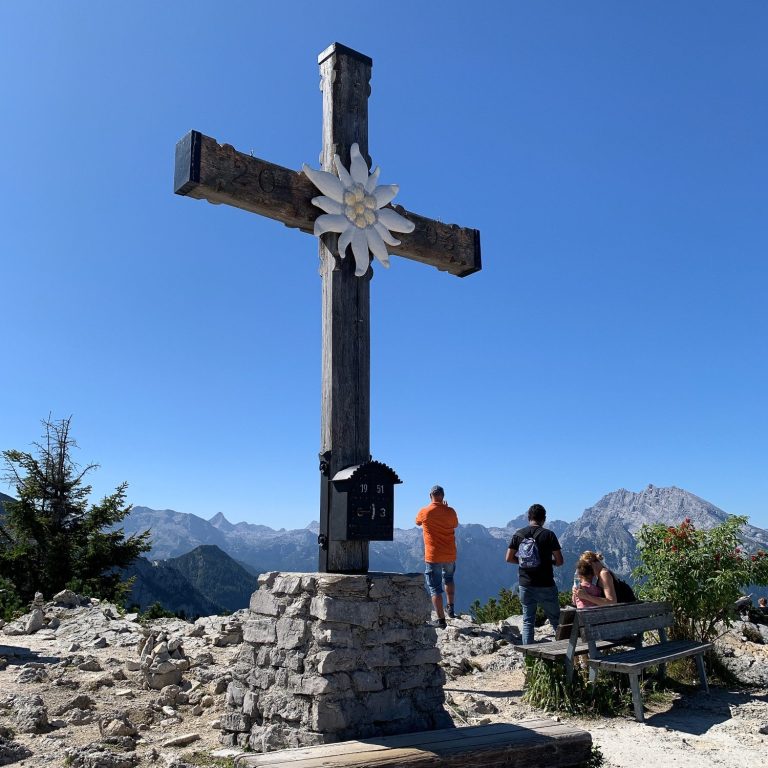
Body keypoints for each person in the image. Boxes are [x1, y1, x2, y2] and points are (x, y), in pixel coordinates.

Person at [506, 503, 564, 644]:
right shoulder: (549, 535)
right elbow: (560, 561)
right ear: (544, 519)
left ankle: (528, 658)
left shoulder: (518, 534)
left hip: (525, 584)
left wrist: (522, 562)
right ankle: (565, 654)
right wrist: (549, 562)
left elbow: (508, 558)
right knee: (556, 620)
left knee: (527, 621)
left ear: (528, 518)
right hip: (546, 584)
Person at [416, 485, 459, 629]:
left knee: (435, 588)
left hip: (433, 555)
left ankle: (441, 620)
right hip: (450, 554)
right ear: (443, 496)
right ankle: (451, 609)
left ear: (430, 496)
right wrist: (445, 508)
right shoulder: (451, 511)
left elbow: (417, 522)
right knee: (449, 578)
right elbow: (455, 524)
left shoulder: (424, 512)